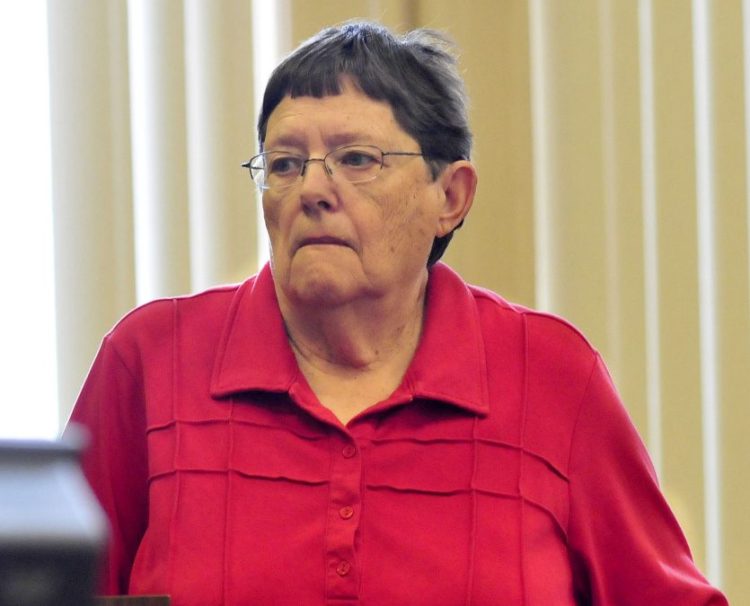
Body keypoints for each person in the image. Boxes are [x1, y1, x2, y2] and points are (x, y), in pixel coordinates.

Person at [68, 20, 728, 606]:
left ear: (451, 195)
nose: (313, 190)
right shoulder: (152, 361)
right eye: (286, 163)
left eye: (356, 160)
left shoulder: (553, 378)